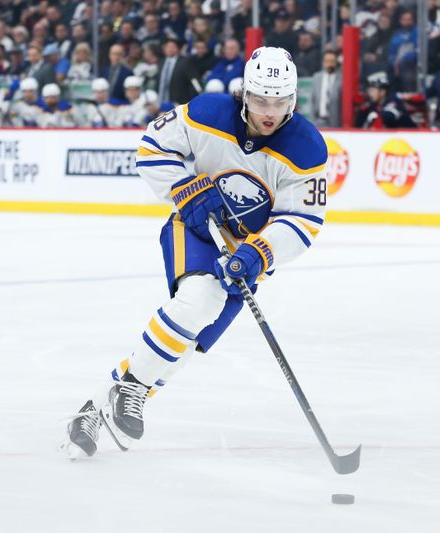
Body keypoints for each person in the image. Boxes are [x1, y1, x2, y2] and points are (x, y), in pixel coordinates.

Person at [63, 46, 327, 459]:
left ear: (293, 98)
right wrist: (184, 188)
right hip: (195, 228)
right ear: (244, 93)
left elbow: (302, 220)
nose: (269, 111)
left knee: (186, 342)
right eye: (260, 100)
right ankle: (132, 389)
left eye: (279, 101)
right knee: (198, 301)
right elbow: (152, 147)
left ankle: (96, 407)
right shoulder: (208, 111)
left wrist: (260, 253)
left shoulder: (307, 148)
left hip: (245, 254)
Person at [310, 50, 341, 127]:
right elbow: (313, 100)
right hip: (318, 121)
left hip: (335, 123)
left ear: (336, 62)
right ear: (323, 62)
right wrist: (313, 119)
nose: (329, 64)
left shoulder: (342, 79)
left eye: (332, 61)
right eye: (327, 61)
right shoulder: (317, 77)